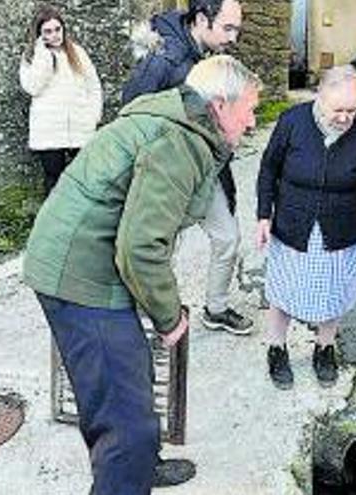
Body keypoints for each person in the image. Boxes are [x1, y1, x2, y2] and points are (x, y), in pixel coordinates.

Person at [23, 55, 261, 495]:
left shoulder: (179, 123)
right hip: (81, 278)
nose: (251, 122)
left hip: (86, 263)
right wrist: (170, 318)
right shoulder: (178, 142)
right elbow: (139, 248)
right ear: (221, 105)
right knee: (125, 426)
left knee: (131, 376)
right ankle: (130, 471)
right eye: (249, 110)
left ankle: (144, 466)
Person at [121, 0, 253, 336]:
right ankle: (154, 314)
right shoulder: (162, 59)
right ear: (200, 19)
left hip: (207, 170)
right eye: (228, 28)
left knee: (227, 237)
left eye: (237, 29)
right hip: (166, 174)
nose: (234, 38)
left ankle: (217, 308)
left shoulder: (207, 55)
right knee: (163, 246)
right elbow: (131, 116)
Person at [256, 66, 356, 390]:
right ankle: (276, 347)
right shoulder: (293, 121)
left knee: (334, 292)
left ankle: (325, 348)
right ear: (319, 97)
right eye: (337, 110)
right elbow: (269, 168)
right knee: (283, 289)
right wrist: (263, 215)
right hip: (292, 221)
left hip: (341, 227)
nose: (345, 117)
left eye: (352, 110)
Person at [19, 4, 102, 196]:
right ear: (39, 34)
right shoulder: (31, 56)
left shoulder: (78, 52)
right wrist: (44, 57)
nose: (54, 35)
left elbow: (94, 86)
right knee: (53, 182)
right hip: (49, 132)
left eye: (58, 29)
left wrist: (93, 116)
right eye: (47, 31)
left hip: (81, 127)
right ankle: (54, 224)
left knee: (84, 179)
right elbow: (32, 87)